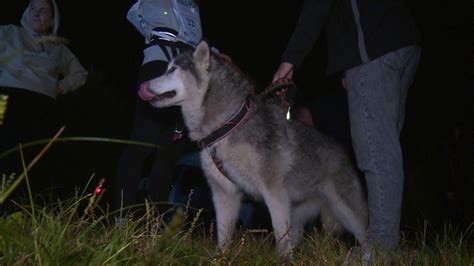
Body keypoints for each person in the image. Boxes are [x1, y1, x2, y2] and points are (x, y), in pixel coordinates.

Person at [273, 0, 421, 252]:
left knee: (376, 153)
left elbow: (318, 6)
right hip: (401, 44)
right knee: (386, 148)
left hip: (374, 49)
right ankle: (387, 243)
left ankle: (380, 249)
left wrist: (289, 61)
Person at [115, 0, 202, 216]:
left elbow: (197, 40)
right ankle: (122, 218)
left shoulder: (192, 7)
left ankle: (158, 222)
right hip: (157, 63)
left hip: (187, 72)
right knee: (141, 143)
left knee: (169, 152)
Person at [0, 0, 87, 178]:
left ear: (53, 18)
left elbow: (80, 73)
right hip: (7, 96)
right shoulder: (9, 32)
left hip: (41, 103)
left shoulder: (59, 48)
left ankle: (18, 200)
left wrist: (62, 85)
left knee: (28, 158)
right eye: (33, 8)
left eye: (43, 11)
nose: (36, 13)